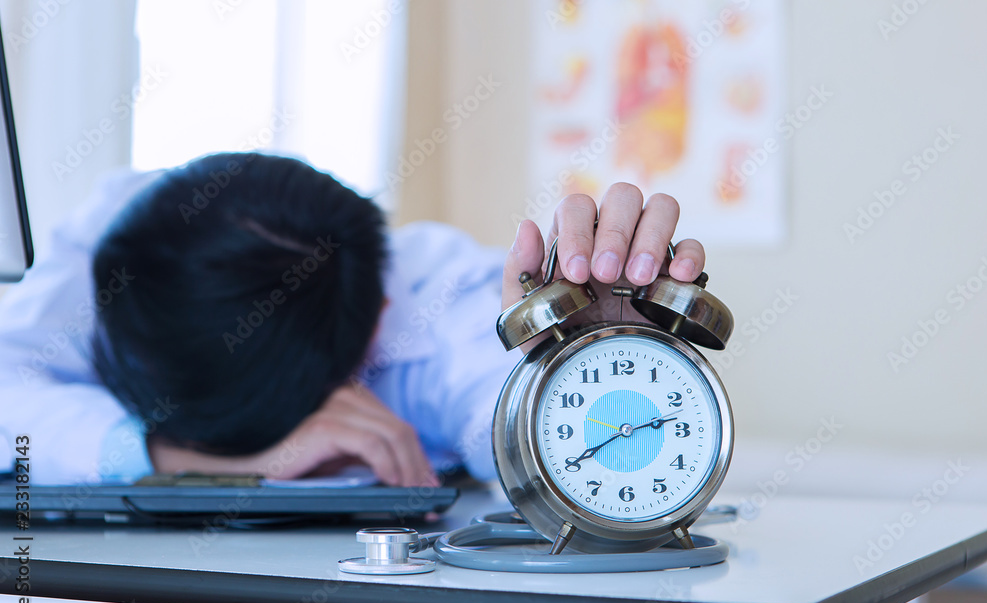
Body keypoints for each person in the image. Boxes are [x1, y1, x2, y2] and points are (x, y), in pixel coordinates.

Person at [0, 153, 706, 486]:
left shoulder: (441, 301)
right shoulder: (127, 231)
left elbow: (503, 416)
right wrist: (189, 462)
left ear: (368, 341)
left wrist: (584, 371)